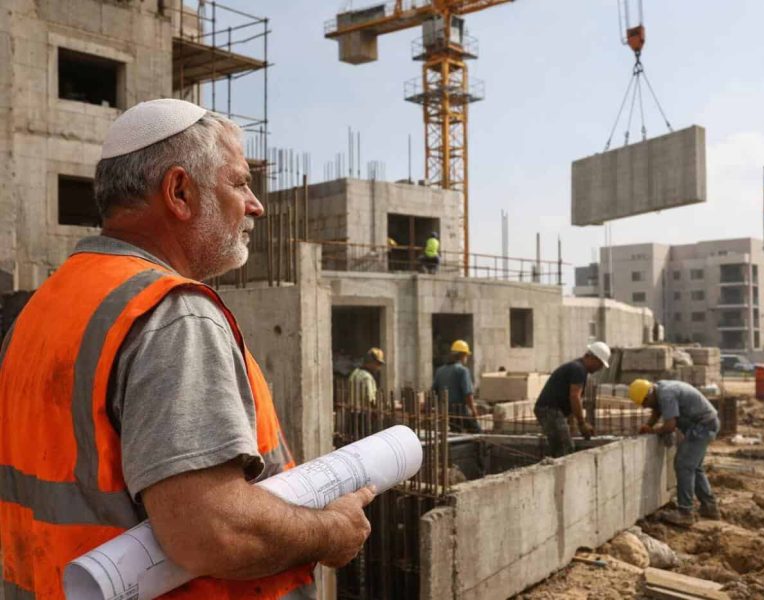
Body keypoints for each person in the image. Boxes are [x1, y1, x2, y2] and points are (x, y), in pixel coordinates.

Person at [0, 99, 373, 599]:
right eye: (239, 182)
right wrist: (332, 531)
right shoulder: (171, 313)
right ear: (179, 191)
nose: (255, 203)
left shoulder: (48, 304)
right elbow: (210, 530)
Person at [629, 378, 721, 526]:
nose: (646, 407)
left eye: (645, 403)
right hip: (706, 423)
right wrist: (648, 425)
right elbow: (657, 410)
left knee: (683, 465)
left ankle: (685, 512)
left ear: (648, 395)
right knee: (694, 467)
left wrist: (654, 431)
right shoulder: (659, 389)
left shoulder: (666, 394)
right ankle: (709, 507)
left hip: (702, 426)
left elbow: (670, 425)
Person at [533, 341, 611, 457]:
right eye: (600, 364)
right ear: (592, 358)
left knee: (561, 447)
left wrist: (573, 425)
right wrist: (582, 423)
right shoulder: (578, 369)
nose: (599, 369)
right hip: (549, 410)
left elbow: (567, 400)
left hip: (550, 410)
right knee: (565, 449)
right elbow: (574, 397)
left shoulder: (577, 367)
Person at [432, 339, 481, 433]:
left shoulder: (440, 371)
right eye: (466, 355)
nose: (466, 358)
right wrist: (474, 411)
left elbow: (433, 391)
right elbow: (468, 394)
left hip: (446, 413)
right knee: (477, 432)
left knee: (455, 434)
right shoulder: (462, 371)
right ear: (463, 355)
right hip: (460, 412)